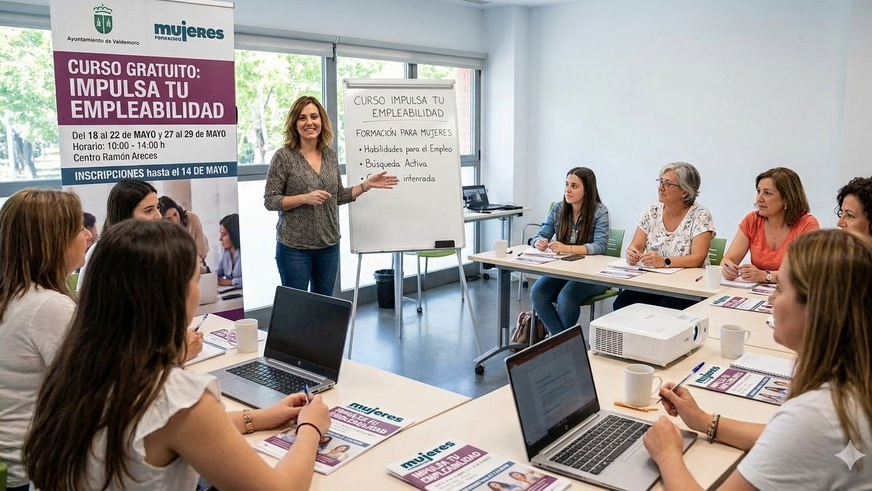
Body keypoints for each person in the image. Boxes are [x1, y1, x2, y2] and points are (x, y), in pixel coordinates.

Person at [23, 220, 332, 491]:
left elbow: (174, 429)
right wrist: (311, 427)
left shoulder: (70, 370)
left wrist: (260, 418)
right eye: (195, 280)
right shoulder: (174, 396)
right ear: (170, 296)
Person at [643, 230, 872, 489]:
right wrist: (705, 421)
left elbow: (800, 431)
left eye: (781, 288)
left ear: (818, 309)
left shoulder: (819, 414)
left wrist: (668, 454)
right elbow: (782, 437)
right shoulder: (853, 387)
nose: (771, 298)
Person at [0, 190, 90, 491]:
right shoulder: (48, 306)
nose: (88, 235)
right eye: (78, 228)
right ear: (54, 241)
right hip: (33, 471)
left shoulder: (13, 295)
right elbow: (98, 389)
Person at [264, 95, 398, 295]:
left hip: (328, 245)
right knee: (295, 309)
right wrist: (303, 198)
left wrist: (366, 185)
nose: (309, 122)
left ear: (321, 121)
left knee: (324, 307)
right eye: (302, 118)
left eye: (314, 117)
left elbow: (337, 196)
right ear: (294, 123)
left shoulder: (330, 155)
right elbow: (270, 200)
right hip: (294, 248)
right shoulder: (284, 157)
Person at [613, 162, 715, 310]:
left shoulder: (700, 215)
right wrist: (632, 253)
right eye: (660, 182)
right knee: (622, 304)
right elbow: (636, 245)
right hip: (654, 281)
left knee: (665, 310)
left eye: (668, 184)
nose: (661, 187)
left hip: (686, 287)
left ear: (685, 192)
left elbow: (697, 259)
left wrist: (664, 262)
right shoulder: (651, 211)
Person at [530, 167, 609, 335]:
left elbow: (601, 246)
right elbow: (539, 235)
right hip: (564, 271)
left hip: (593, 274)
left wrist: (568, 248)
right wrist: (539, 242)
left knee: (565, 298)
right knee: (537, 293)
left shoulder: (600, 212)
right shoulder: (558, 209)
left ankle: (558, 348)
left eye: (574, 186)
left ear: (587, 190)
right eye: (566, 184)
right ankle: (562, 346)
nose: (567, 189)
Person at [721, 167, 818, 284]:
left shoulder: (807, 224)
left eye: (767, 193)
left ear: (787, 199)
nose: (759, 199)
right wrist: (728, 269)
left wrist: (765, 276)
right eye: (758, 191)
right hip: (754, 293)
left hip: (793, 295)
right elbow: (728, 259)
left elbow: (806, 272)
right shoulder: (752, 220)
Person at [77, 179, 162, 291]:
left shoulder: (161, 249)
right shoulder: (100, 253)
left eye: (158, 207)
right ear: (126, 215)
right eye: (148, 211)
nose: (159, 216)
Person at [158, 195, 209, 262]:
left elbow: (201, 251)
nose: (174, 220)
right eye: (168, 218)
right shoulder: (159, 229)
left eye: (175, 214)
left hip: (197, 263)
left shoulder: (191, 218)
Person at [216, 213, 242, 287]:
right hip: (232, 293)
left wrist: (231, 282)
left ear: (234, 234)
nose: (220, 239)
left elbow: (250, 279)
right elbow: (217, 274)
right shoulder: (225, 253)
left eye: (223, 235)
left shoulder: (246, 253)